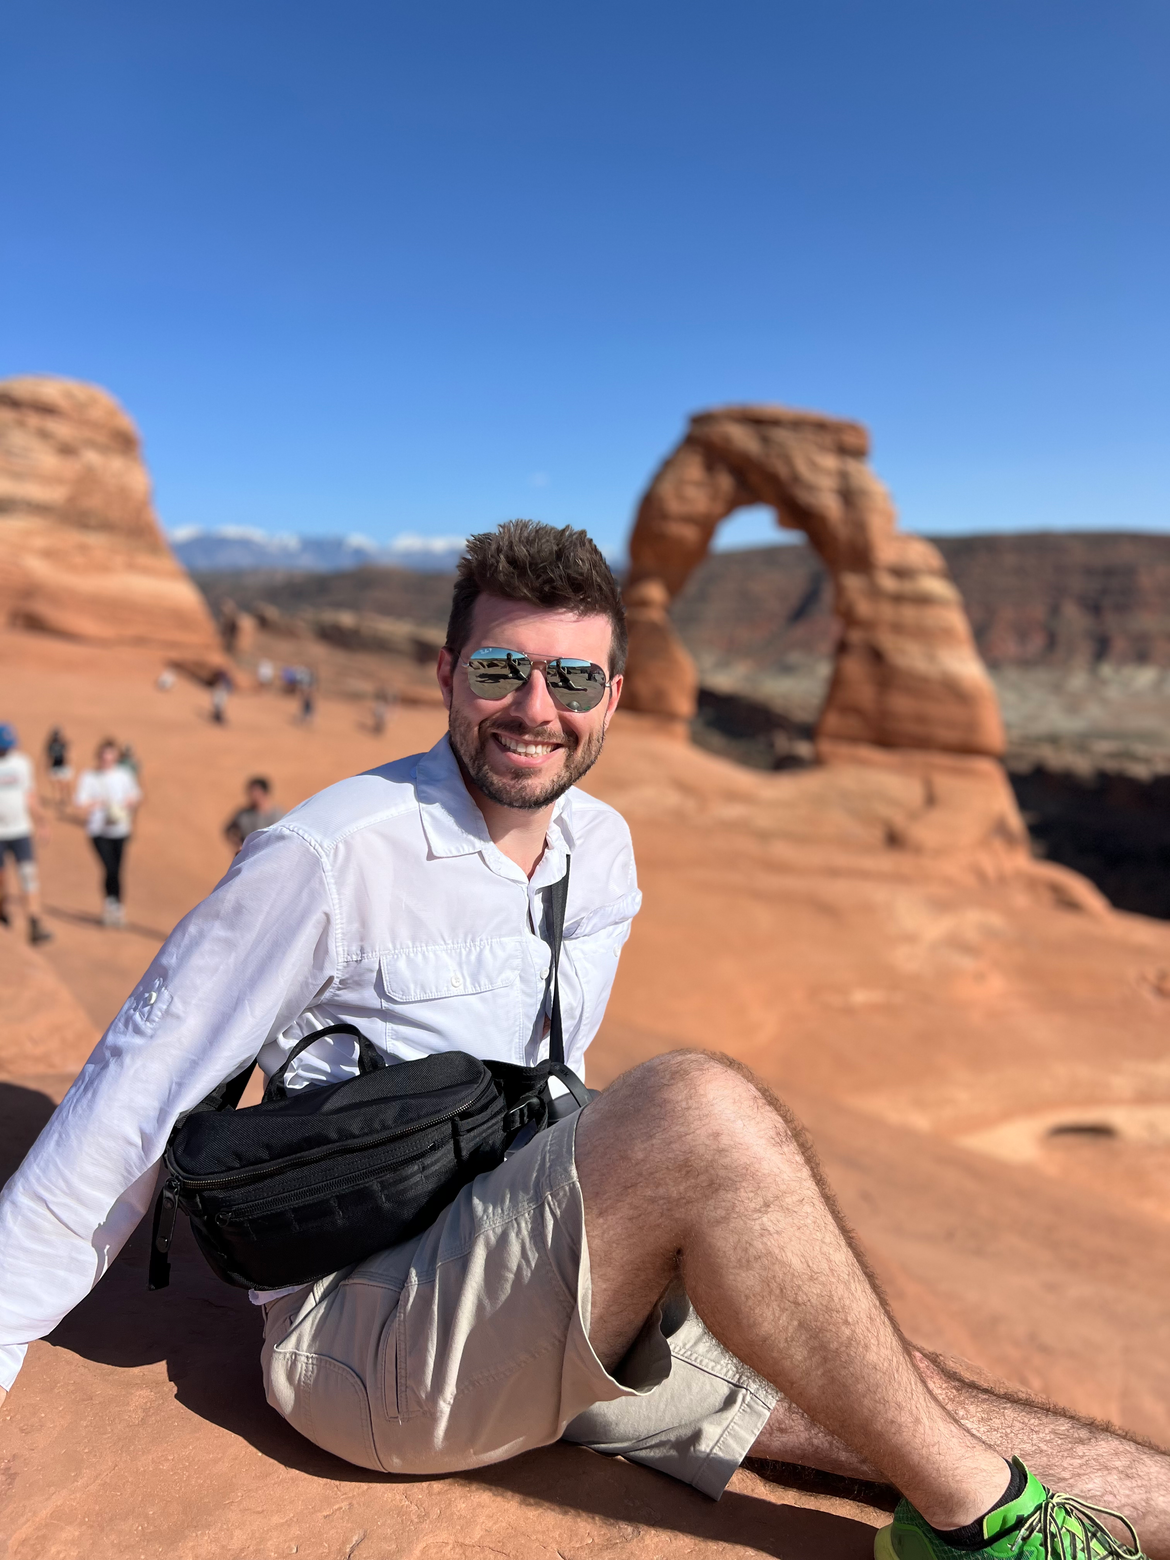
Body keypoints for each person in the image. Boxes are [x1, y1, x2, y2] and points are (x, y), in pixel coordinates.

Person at [0, 522, 1166, 1560]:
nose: (534, 709)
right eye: (502, 669)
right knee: (700, 1108)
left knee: (900, 1389)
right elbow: (126, 1111)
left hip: (527, 1273)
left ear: (614, 693)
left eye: (571, 677)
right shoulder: (327, 858)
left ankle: (1029, 1499)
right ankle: (983, 1528)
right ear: (450, 674)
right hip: (367, 1343)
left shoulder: (597, 853)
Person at [73, 738, 142, 928]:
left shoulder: (124, 775)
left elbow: (136, 795)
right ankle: (110, 905)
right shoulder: (89, 776)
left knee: (118, 870)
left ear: (116, 756)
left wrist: (125, 804)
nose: (106, 758)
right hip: (98, 830)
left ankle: (117, 909)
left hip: (120, 830)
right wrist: (98, 804)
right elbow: (80, 802)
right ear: (98, 756)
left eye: (110, 753)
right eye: (103, 754)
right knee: (109, 867)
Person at [0, 724, 53, 946]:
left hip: (21, 831)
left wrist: (42, 822)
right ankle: (3, 915)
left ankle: (34, 922)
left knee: (28, 876)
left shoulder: (22, 764)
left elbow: (30, 795)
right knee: (2, 882)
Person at [223, 776, 285, 855]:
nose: (252, 795)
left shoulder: (278, 815)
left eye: (255, 792)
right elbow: (229, 831)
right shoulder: (243, 815)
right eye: (250, 791)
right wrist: (238, 844)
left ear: (264, 793)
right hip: (247, 856)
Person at [44, 728, 72, 810]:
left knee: (63, 785)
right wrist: (47, 766)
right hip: (54, 766)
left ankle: (65, 799)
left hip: (62, 766)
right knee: (55, 785)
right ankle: (57, 801)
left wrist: (69, 765)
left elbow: (68, 755)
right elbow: (48, 757)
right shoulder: (50, 745)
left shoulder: (63, 744)